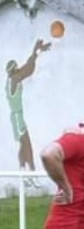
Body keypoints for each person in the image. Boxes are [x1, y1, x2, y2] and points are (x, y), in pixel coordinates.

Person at [6, 38, 50, 175]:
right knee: (27, 145)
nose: (18, 69)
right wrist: (36, 51)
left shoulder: (12, 79)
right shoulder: (14, 79)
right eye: (16, 68)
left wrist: (36, 52)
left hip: (17, 116)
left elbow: (27, 67)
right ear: (13, 70)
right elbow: (29, 68)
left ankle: (23, 171)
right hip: (18, 117)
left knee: (23, 145)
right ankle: (31, 173)